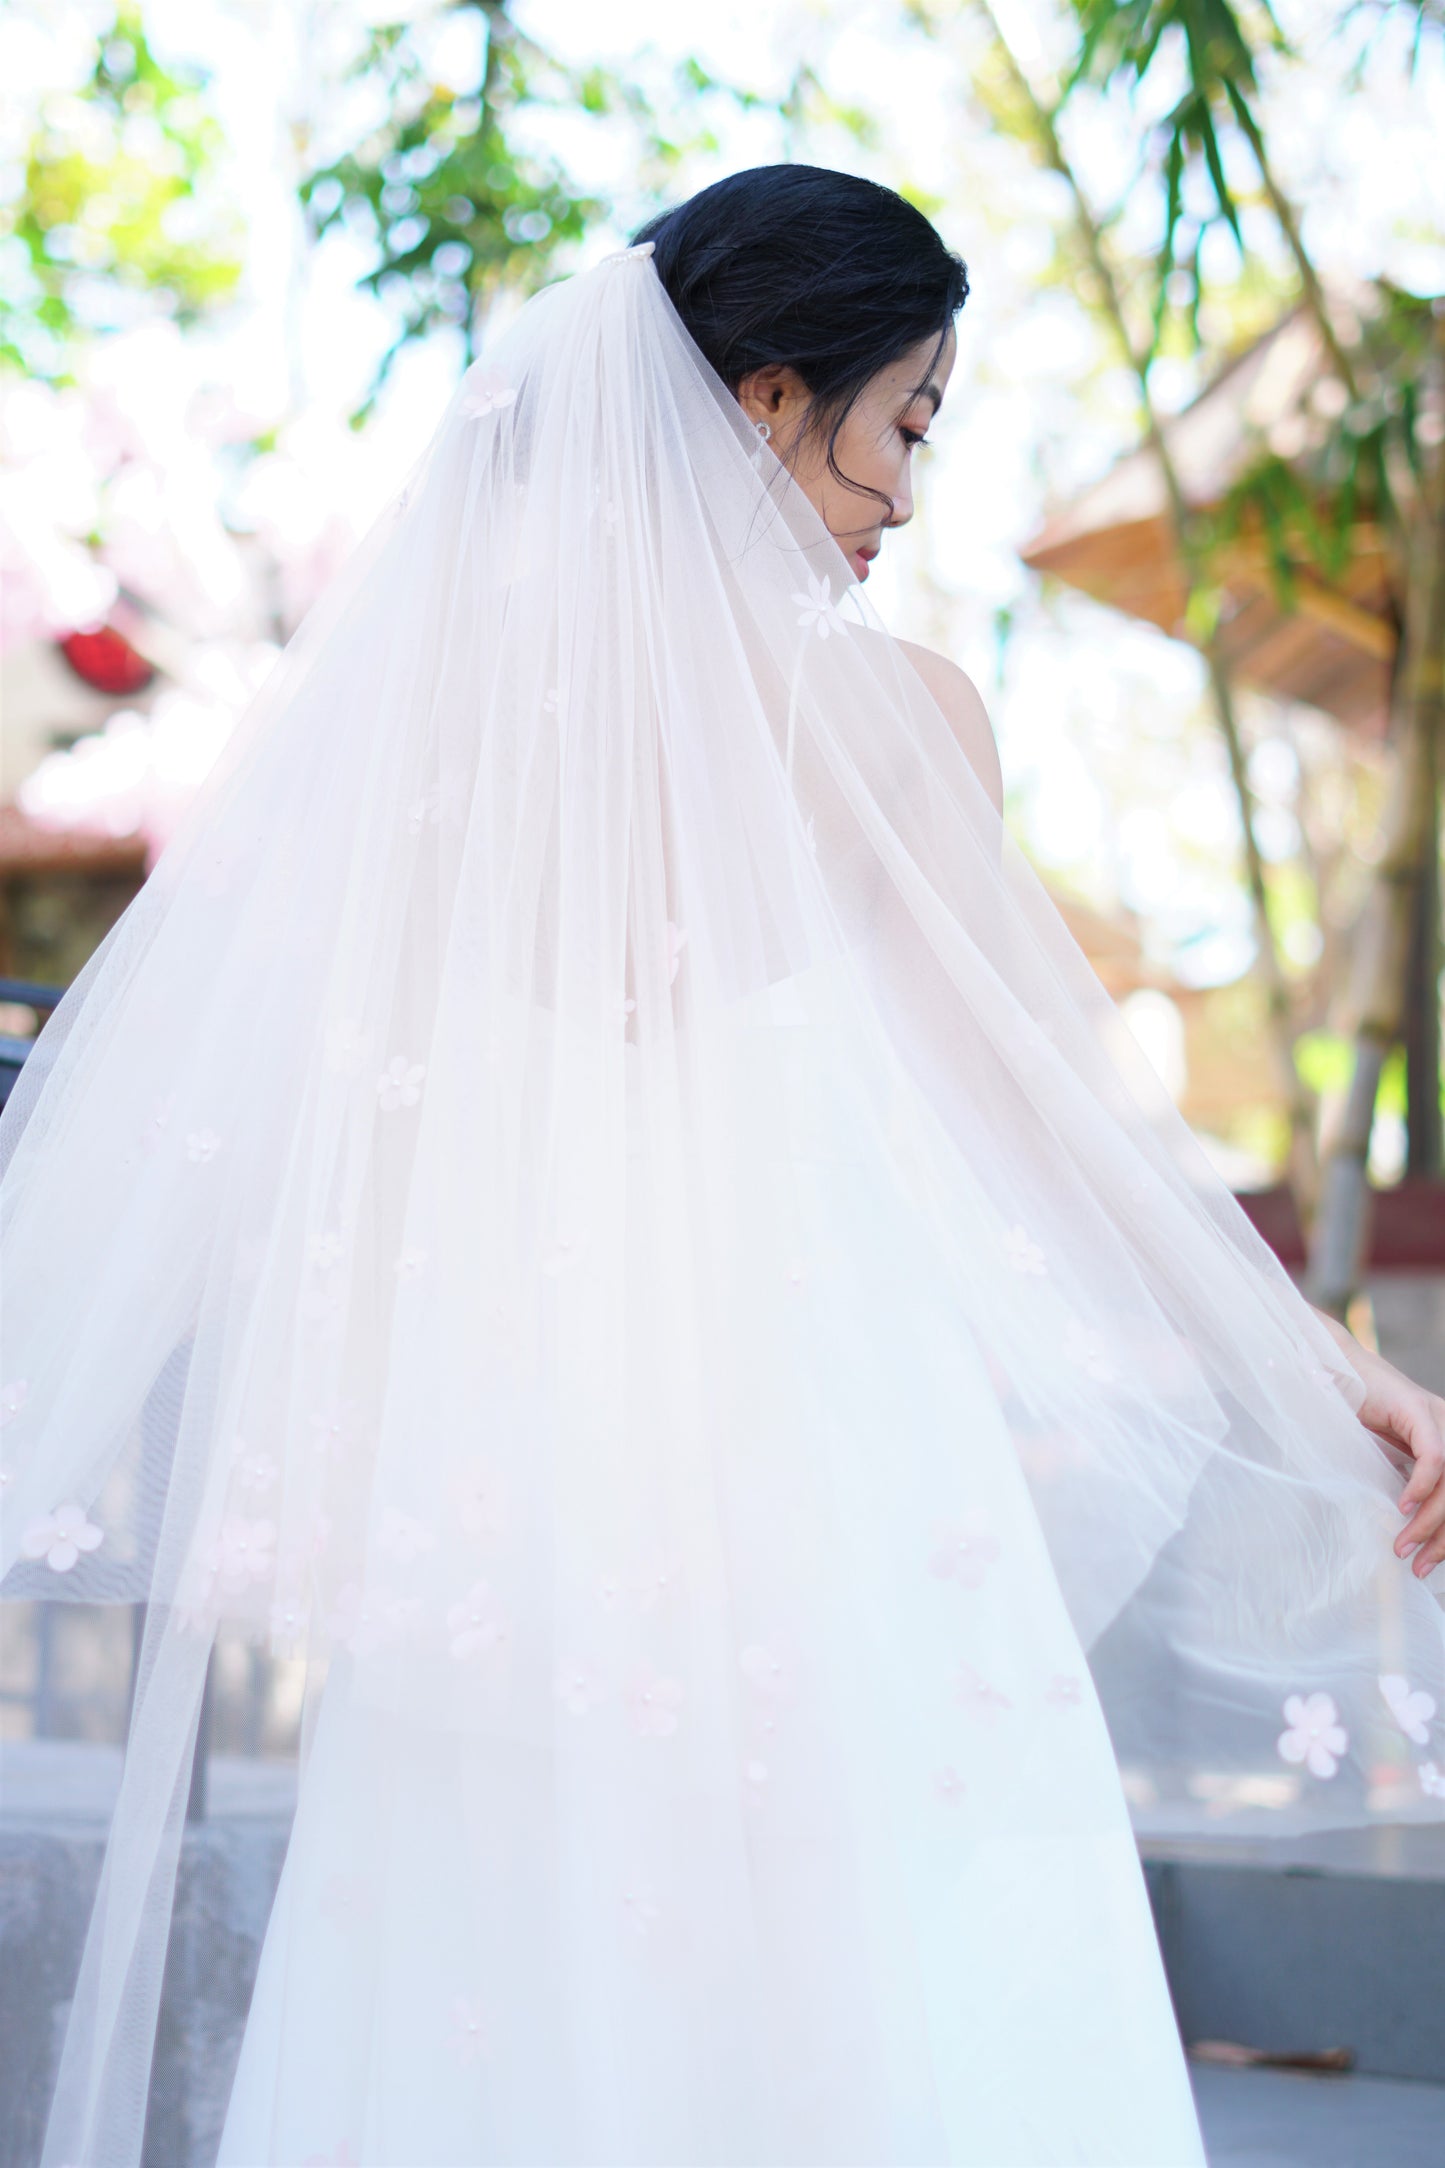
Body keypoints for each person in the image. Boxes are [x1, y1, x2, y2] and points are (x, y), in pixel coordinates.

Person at [2, 164, 1441, 2168]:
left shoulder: (415, 751)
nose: (910, 495)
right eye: (905, 422)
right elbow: (1054, 1132)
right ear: (768, 400)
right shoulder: (897, 723)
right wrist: (1319, 1358)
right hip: (830, 1495)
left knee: (493, 1996)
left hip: (502, 1525)